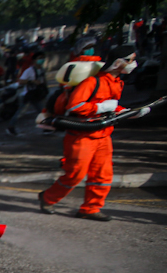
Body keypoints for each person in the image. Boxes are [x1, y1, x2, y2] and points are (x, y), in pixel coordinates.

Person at [39, 45, 146, 221]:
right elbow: (74, 106)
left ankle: (90, 209)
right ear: (117, 62)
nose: (133, 64)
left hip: (103, 135)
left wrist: (129, 112)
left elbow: (111, 108)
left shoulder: (116, 82)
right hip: (81, 136)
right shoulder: (93, 82)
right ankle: (47, 198)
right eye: (129, 60)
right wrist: (101, 107)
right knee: (75, 174)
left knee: (102, 175)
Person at [7, 52, 48, 136]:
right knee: (20, 112)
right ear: (34, 60)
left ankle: (46, 128)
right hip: (28, 95)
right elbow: (21, 81)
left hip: (37, 95)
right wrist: (31, 81)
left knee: (42, 111)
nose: (42, 60)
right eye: (39, 58)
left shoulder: (41, 70)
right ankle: (10, 127)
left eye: (42, 58)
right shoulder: (29, 70)